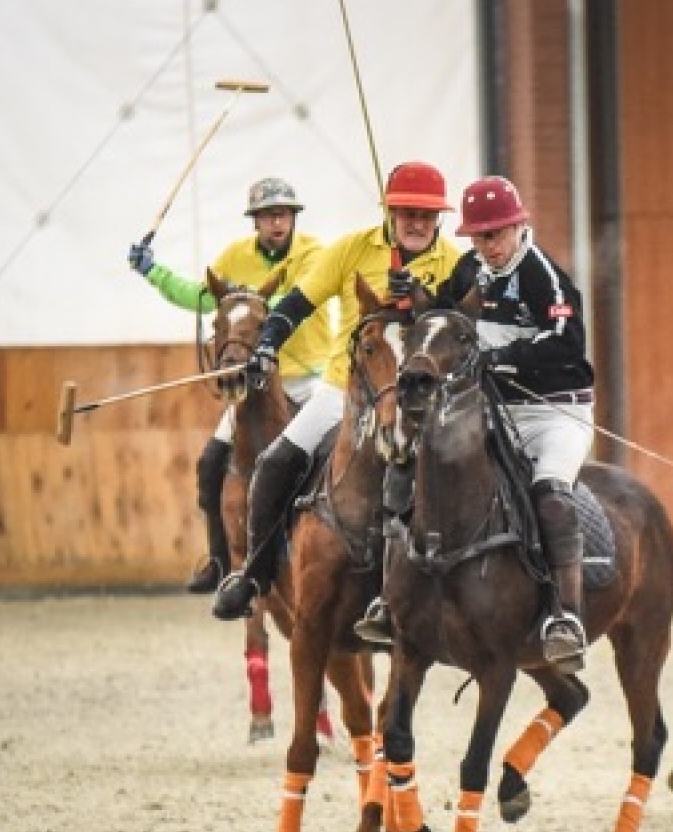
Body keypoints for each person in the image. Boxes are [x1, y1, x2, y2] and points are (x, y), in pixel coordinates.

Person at [355, 175, 595, 673]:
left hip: (555, 411)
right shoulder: (472, 268)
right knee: (412, 464)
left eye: (495, 234)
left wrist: (502, 357)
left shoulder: (542, 275)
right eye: (479, 237)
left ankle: (565, 617)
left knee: (550, 493)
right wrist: (410, 295)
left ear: (517, 226)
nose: (487, 246)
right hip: (494, 409)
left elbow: (567, 342)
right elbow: (440, 317)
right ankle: (390, 596)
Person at [210, 162, 465, 620]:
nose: (417, 223)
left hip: (416, 398)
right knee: (274, 464)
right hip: (341, 389)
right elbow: (298, 303)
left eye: (426, 215)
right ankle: (255, 576)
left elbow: (456, 325)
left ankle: (458, 585)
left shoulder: (452, 262)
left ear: (439, 219)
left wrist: (422, 301)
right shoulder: (351, 249)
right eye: (407, 212)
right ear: (390, 211)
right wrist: (267, 345)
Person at [128, 177, 334, 592]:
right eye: (267, 217)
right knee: (210, 463)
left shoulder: (314, 255)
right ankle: (220, 562)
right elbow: (202, 297)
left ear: (293, 218)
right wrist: (153, 271)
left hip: (310, 379)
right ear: (255, 223)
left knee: (338, 456)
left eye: (283, 215)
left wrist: (249, 303)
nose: (277, 224)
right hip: (255, 385)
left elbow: (298, 301)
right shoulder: (235, 257)